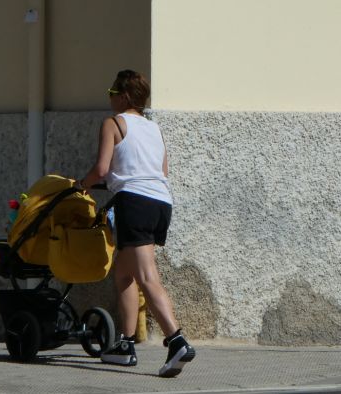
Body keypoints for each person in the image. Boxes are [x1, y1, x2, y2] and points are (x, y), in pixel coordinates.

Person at [76, 70, 195, 377]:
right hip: (160, 203)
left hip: (134, 203)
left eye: (111, 91)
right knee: (125, 274)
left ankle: (177, 340)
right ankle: (125, 344)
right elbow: (163, 169)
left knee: (145, 274)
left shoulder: (113, 123)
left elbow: (102, 168)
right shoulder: (153, 129)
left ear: (124, 96)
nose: (110, 97)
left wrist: (82, 185)